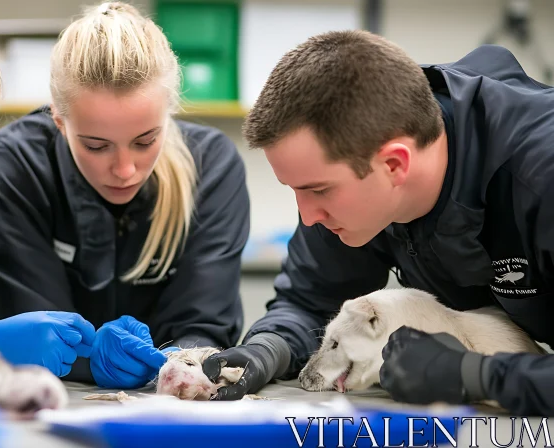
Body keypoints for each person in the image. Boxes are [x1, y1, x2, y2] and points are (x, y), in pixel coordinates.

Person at [202, 29, 554, 416]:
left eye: (318, 190)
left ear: (394, 164)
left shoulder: (541, 177)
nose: (307, 216)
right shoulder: (364, 147)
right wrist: (265, 349)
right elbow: (309, 300)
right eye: (295, 190)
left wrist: (479, 375)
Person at [0, 1, 250, 389]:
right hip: (32, 387)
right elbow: (37, 332)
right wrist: (91, 359)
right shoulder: (13, 165)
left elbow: (204, 325)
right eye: (96, 146)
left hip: (164, 399)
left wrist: (175, 364)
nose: (124, 169)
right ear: (59, 122)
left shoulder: (213, 166)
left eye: (145, 140)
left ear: (167, 115)